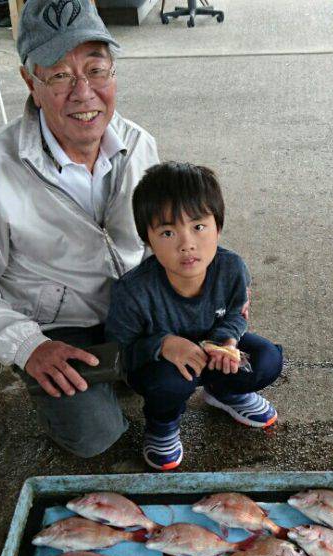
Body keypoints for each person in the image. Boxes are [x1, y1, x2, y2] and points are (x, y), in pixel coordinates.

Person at [0, 0, 159, 457]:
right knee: (94, 435)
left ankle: (121, 367)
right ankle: (88, 381)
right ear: (31, 82)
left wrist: (209, 283)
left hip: (132, 307)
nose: (84, 92)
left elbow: (164, 236)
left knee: (225, 360)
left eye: (96, 70)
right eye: (60, 75)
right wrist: (27, 346)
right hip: (57, 325)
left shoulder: (139, 144)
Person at [105, 161, 283, 470]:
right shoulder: (132, 291)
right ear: (147, 239)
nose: (186, 244)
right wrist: (163, 344)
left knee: (267, 360)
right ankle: (162, 423)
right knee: (170, 384)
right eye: (167, 232)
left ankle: (224, 392)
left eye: (198, 227)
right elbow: (119, 351)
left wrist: (226, 341)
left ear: (218, 227)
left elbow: (236, 314)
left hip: (211, 354)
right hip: (163, 368)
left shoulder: (232, 268)